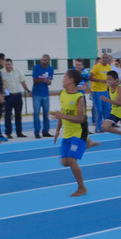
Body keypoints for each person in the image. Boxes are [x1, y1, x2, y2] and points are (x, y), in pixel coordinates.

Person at [50, 69, 90, 197]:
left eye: (64, 77)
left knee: (72, 161)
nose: (62, 80)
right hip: (67, 133)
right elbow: (62, 113)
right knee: (65, 162)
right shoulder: (62, 93)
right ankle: (86, 144)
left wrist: (62, 116)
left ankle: (82, 188)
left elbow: (81, 118)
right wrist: (57, 130)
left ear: (71, 80)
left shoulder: (79, 97)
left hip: (79, 132)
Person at [2, 58, 30, 138]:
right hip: (9, 96)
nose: (7, 66)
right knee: (8, 115)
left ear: (12, 64)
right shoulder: (2, 72)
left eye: (9, 64)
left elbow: (22, 81)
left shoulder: (17, 70)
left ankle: (19, 132)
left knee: (18, 115)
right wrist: (7, 94)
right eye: (5, 65)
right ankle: (8, 133)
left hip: (18, 95)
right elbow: (2, 86)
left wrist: (27, 90)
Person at [31, 54, 55, 139]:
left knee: (46, 113)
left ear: (48, 61)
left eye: (45, 60)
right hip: (37, 93)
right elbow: (34, 80)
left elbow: (50, 81)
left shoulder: (51, 69)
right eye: (42, 60)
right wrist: (42, 79)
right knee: (36, 113)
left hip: (45, 93)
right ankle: (37, 132)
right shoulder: (36, 68)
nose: (42, 61)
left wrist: (48, 82)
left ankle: (46, 131)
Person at [90, 53, 113, 132]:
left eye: (106, 58)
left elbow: (110, 77)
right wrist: (100, 80)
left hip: (105, 91)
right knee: (99, 110)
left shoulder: (109, 67)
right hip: (97, 91)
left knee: (107, 109)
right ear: (101, 58)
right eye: (103, 58)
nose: (105, 59)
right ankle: (98, 128)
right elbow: (90, 77)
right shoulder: (96, 67)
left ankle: (106, 127)